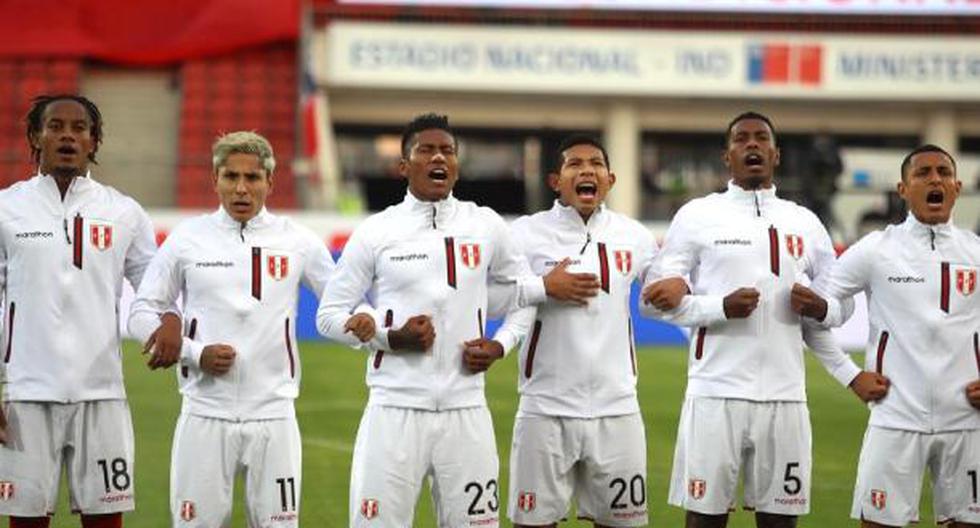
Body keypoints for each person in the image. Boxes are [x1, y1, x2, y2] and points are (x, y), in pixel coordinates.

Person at [316, 113, 598, 528]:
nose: (439, 158)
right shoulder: (376, 231)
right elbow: (328, 315)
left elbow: (521, 296)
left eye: (447, 150)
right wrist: (387, 337)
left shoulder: (485, 224)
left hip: (467, 412)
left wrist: (501, 344)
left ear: (457, 164)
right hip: (394, 411)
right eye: (426, 150)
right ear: (403, 166)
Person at [642, 111, 888, 528]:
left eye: (761, 139)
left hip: (786, 398)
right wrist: (719, 307)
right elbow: (653, 302)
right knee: (704, 520)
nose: (752, 145)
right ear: (727, 155)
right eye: (741, 139)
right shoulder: (697, 216)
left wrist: (822, 309)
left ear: (776, 154)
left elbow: (839, 305)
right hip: (715, 395)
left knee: (779, 522)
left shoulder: (806, 223)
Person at [495, 135, 730, 528]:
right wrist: (543, 287)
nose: (587, 170)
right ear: (556, 180)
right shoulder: (525, 234)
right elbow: (494, 297)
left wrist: (689, 291)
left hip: (617, 410)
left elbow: (659, 298)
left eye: (596, 164)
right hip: (544, 410)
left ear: (611, 179)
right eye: (574, 164)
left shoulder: (633, 235)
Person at [127, 131, 336, 527]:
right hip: (204, 414)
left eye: (253, 178)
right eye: (231, 177)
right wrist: (193, 352)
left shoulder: (299, 242)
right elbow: (140, 311)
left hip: (274, 416)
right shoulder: (188, 239)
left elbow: (342, 306)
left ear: (270, 183)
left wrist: (381, 332)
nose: (241, 188)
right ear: (215, 179)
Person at [0, 95, 167, 528]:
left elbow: (154, 288)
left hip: (102, 394)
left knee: (105, 518)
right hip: (25, 394)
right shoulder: (6, 208)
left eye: (79, 128)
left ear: (94, 141)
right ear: (36, 136)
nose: (68, 136)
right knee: (26, 520)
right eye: (56, 126)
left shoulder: (124, 212)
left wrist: (168, 320)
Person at [817, 145, 979, 528]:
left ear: (956, 187)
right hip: (895, 419)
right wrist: (849, 374)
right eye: (923, 173)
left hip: (969, 423)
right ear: (902, 189)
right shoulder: (876, 249)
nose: (935, 179)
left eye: (943, 172)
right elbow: (814, 312)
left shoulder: (976, 252)